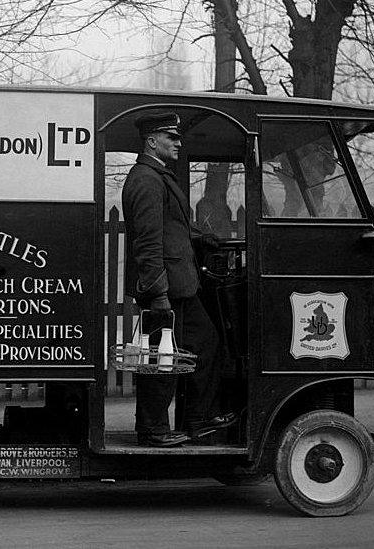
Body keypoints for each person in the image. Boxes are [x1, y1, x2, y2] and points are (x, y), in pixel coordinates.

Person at [122, 111, 236, 447]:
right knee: (161, 359)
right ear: (152, 141)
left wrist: (201, 238)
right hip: (166, 290)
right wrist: (157, 294)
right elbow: (147, 242)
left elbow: (172, 229)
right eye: (171, 137)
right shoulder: (145, 178)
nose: (178, 142)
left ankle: (197, 419)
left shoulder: (155, 176)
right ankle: (154, 430)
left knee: (201, 345)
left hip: (177, 287)